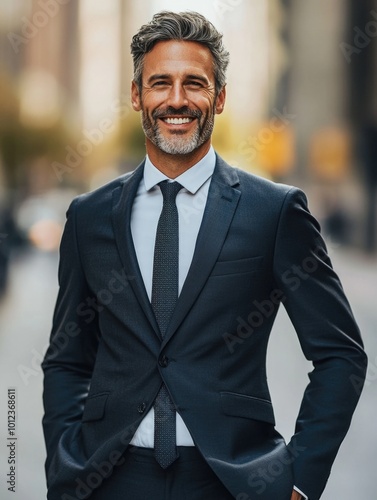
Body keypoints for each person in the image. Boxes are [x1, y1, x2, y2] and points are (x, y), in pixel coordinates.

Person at [42, 11, 367, 500]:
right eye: (160, 84)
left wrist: (299, 479)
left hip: (232, 481)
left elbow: (341, 354)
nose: (177, 100)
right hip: (108, 479)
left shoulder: (274, 212)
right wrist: (65, 462)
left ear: (219, 96)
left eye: (194, 83)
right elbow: (66, 360)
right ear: (137, 96)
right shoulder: (89, 217)